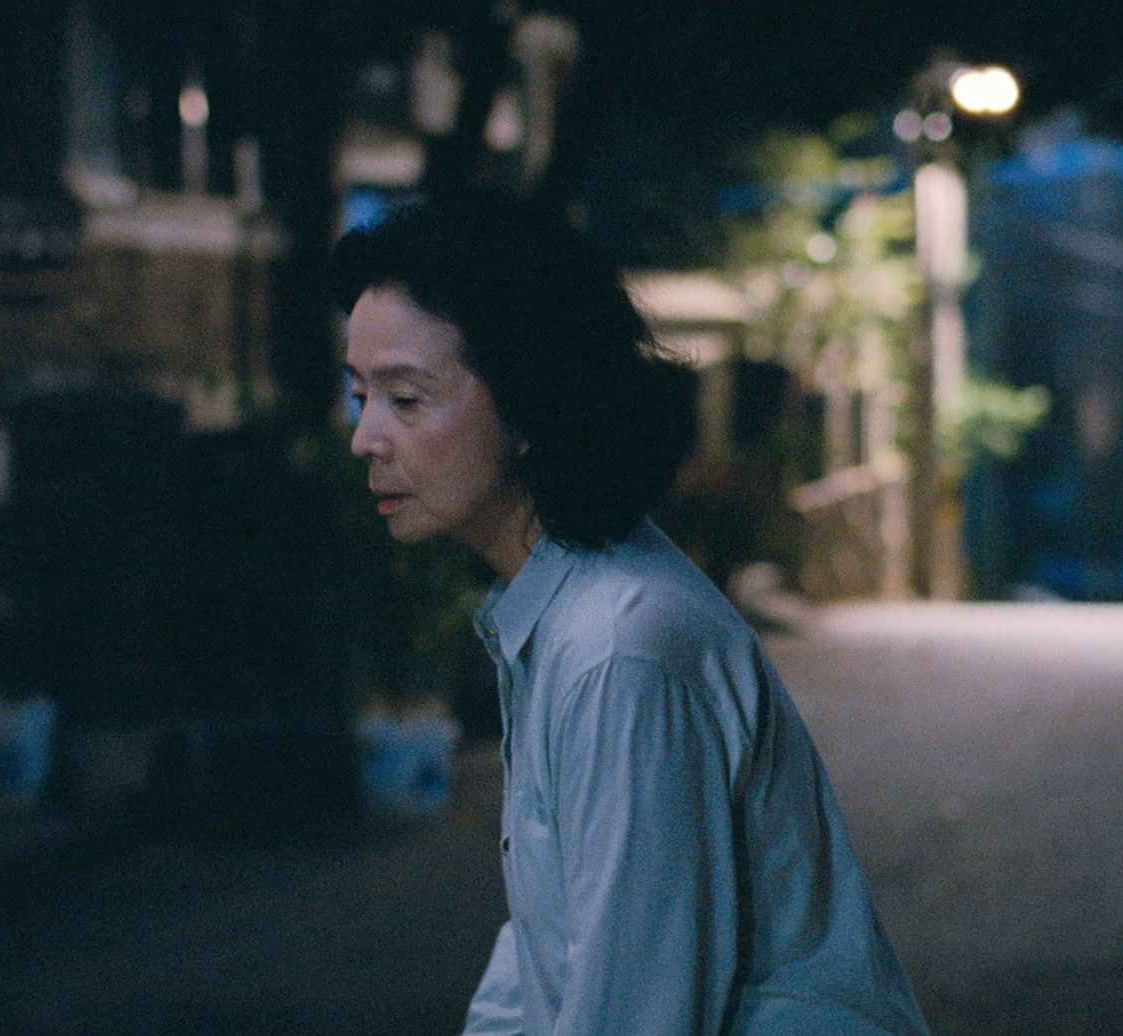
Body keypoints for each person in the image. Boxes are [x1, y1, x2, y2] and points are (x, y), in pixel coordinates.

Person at [332, 192, 929, 1035]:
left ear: (528, 405)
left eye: (405, 398)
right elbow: (544, 952)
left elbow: (639, 1008)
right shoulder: (562, 611)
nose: (365, 437)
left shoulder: (619, 647)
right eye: (360, 395)